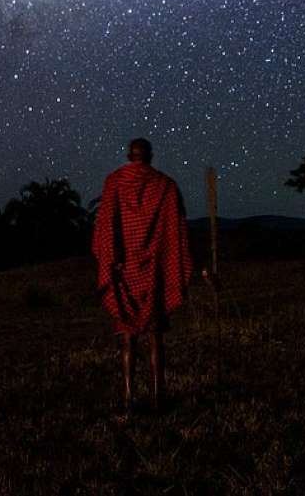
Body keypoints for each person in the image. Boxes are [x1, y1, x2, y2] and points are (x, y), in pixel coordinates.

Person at [92, 137, 193, 415]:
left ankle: (128, 400)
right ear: (150, 155)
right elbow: (177, 231)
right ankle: (159, 400)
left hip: (123, 271)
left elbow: (105, 228)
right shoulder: (167, 186)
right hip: (155, 272)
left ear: (129, 155)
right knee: (156, 337)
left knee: (127, 337)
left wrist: (110, 261)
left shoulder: (114, 182)